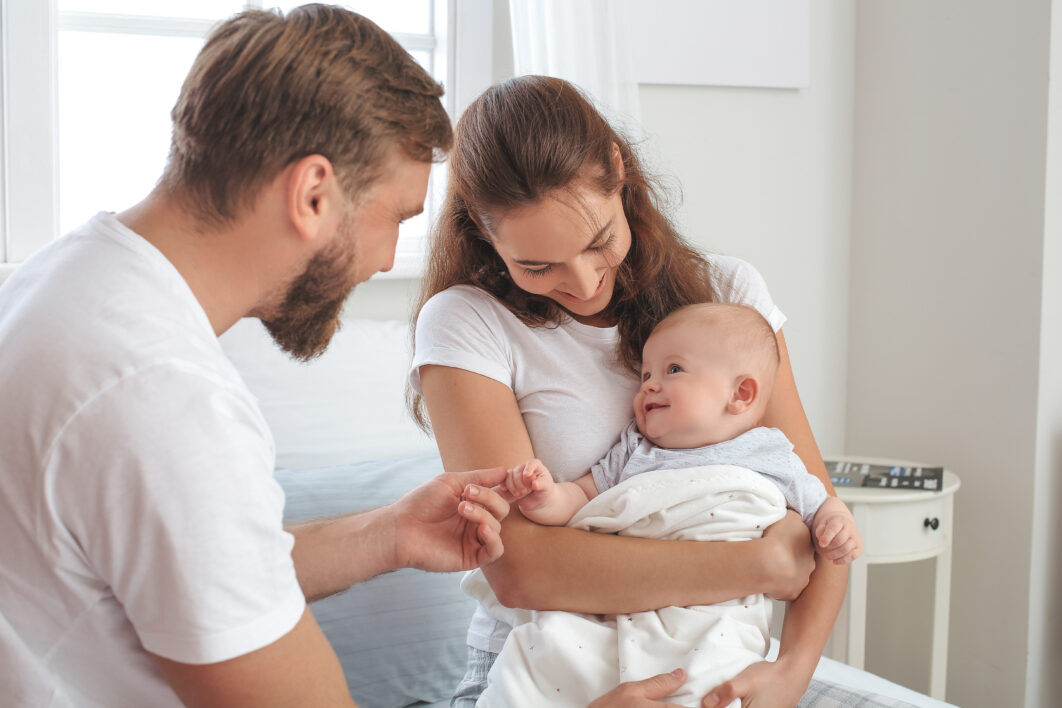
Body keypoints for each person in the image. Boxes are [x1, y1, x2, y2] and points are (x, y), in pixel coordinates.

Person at [0, 6, 510, 707]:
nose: (388, 258)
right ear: (312, 194)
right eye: (396, 217)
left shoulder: (67, 284)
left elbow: (190, 570)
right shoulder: (163, 395)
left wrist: (387, 532)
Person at [410, 75, 896, 708]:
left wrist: (792, 672)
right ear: (482, 227)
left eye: (599, 240)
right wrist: (761, 566)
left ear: (619, 169)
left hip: (714, 656)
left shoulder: (729, 300)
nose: (583, 282)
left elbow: (820, 520)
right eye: (537, 265)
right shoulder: (466, 323)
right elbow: (522, 569)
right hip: (545, 668)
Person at [501, 302, 861, 562]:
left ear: (741, 395)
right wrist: (545, 496)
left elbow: (820, 503)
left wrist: (837, 525)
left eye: (673, 369)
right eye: (645, 375)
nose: (650, 386)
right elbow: (580, 498)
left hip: (721, 607)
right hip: (628, 587)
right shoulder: (634, 448)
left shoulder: (766, 453)